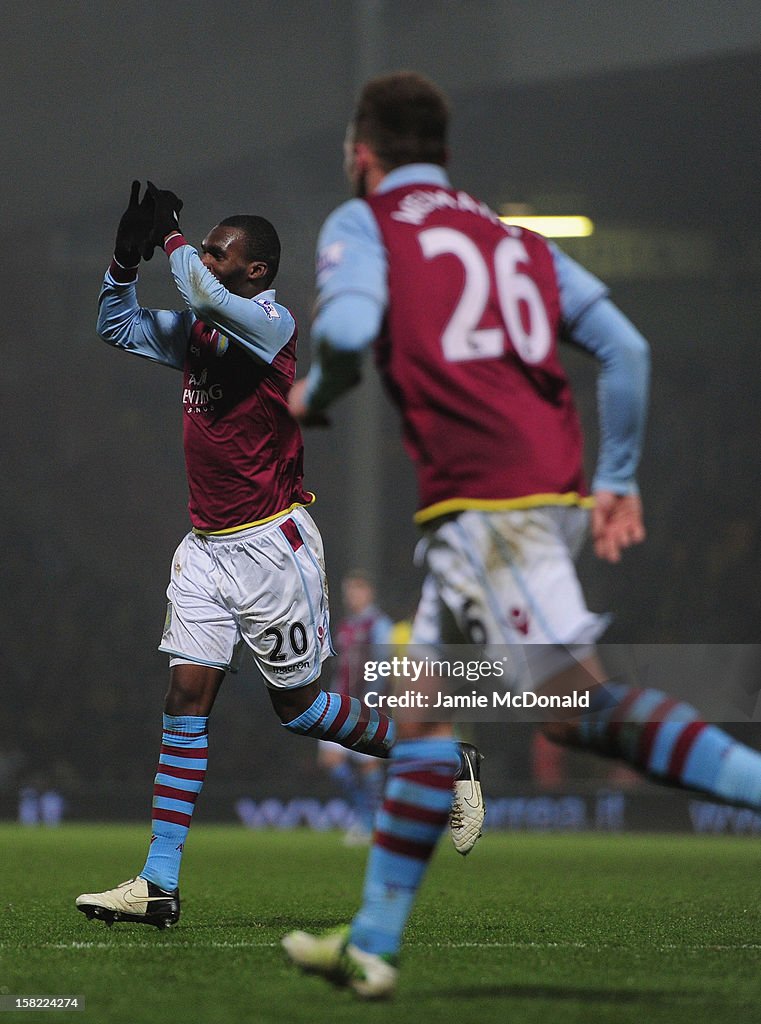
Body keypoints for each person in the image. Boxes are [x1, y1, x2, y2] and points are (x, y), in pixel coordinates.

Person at [282, 71, 761, 998]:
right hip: (523, 501)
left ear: (361, 154)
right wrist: (616, 477)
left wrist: (319, 393)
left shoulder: (365, 222)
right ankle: (371, 946)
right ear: (446, 155)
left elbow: (347, 323)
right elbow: (627, 347)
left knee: (574, 710)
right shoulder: (515, 239)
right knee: (420, 715)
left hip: (493, 510)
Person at [75, 182, 398, 930]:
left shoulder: (272, 325)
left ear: (256, 272)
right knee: (186, 696)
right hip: (205, 550)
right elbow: (113, 326)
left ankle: (435, 762)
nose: (207, 261)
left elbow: (195, 283)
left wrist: (177, 238)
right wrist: (125, 260)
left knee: (299, 709)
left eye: (224, 253)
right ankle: (159, 883)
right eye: (206, 249)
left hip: (270, 548)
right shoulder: (198, 332)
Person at [318, 570, 392, 843]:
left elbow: (383, 667)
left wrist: (371, 701)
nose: (351, 596)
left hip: (368, 706)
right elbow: (341, 669)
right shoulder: (345, 626)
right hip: (342, 704)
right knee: (330, 759)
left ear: (368, 592)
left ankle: (372, 821)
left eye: (356, 590)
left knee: (368, 765)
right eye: (348, 591)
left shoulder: (379, 624)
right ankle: (365, 814)